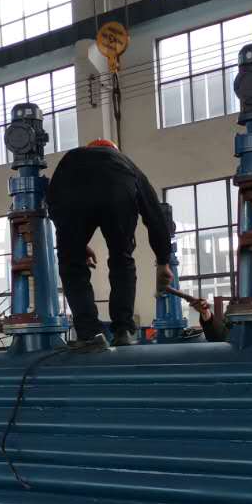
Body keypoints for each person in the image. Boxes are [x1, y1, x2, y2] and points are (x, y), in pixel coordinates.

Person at [46, 139, 174, 351]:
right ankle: (124, 330)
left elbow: (53, 200)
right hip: (117, 194)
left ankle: (89, 334)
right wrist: (163, 261)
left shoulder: (72, 158)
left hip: (72, 196)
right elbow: (154, 214)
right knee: (122, 259)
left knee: (72, 265)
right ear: (114, 151)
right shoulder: (124, 162)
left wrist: (76, 243)